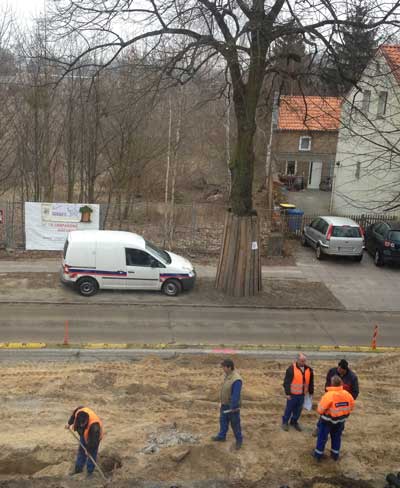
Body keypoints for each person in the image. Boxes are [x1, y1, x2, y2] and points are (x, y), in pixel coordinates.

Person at [313, 375, 355, 461]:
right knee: (336, 438)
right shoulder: (347, 394)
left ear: (332, 384)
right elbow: (351, 406)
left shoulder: (329, 395)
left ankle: (318, 455)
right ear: (341, 383)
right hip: (340, 421)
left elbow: (320, 410)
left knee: (322, 438)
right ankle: (335, 455)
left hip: (327, 421)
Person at [211, 358, 243, 450]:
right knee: (223, 421)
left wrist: (233, 406)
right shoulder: (228, 376)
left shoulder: (236, 379)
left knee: (235, 424)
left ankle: (239, 441)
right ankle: (222, 436)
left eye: (224, 367)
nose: (223, 369)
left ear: (229, 367)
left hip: (232, 407)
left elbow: (235, 395)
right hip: (225, 405)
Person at [65, 406, 103, 476]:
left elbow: (93, 442)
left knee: (91, 453)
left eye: (83, 424)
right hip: (85, 433)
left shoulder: (95, 426)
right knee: (81, 450)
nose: (82, 425)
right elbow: (74, 415)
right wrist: (69, 423)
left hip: (95, 437)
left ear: (87, 420)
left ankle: (90, 472)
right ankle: (78, 470)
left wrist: (88, 450)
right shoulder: (78, 412)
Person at [282, 353, 314, 432]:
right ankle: (285, 422)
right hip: (292, 395)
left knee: (298, 410)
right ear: (297, 360)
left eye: (304, 361)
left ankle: (294, 422)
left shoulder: (309, 370)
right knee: (289, 409)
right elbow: (286, 382)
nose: (303, 363)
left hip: (302, 395)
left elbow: (310, 382)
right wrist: (288, 393)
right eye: (301, 361)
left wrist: (311, 391)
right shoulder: (291, 369)